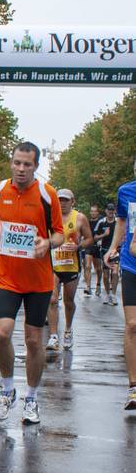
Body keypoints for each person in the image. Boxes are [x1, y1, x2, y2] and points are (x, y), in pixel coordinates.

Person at [0, 142, 64, 425]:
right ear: (11, 162)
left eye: (27, 164)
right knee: (1, 333)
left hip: (38, 281)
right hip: (7, 278)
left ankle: (31, 397)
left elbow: (59, 234)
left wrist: (47, 243)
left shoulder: (46, 194)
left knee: (33, 340)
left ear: (35, 166)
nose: (20, 169)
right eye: (17, 162)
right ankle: (7, 391)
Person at [103, 160, 136, 409]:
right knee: (133, 325)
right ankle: (134, 387)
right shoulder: (126, 192)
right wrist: (113, 247)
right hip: (132, 263)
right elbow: (122, 222)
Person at [46, 189, 92, 352]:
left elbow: (89, 239)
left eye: (66, 200)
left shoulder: (80, 218)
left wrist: (78, 246)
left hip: (71, 265)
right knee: (52, 299)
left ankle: (68, 329)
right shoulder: (50, 217)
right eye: (59, 200)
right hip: (53, 264)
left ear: (73, 202)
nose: (62, 203)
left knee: (68, 301)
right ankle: (53, 336)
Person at [91, 203, 118, 304]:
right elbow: (95, 238)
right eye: (109, 210)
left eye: (112, 210)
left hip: (115, 250)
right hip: (104, 250)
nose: (111, 211)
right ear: (106, 211)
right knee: (106, 275)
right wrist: (104, 234)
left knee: (115, 272)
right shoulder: (101, 222)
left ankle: (114, 295)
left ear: (114, 211)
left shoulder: (118, 221)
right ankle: (107, 294)